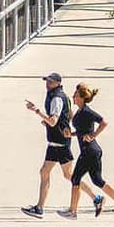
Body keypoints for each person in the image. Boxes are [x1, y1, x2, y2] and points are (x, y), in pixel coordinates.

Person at [65, 84, 114, 220]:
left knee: (76, 178)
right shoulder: (80, 112)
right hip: (92, 151)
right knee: (97, 180)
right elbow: (83, 131)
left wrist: (93, 135)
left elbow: (104, 122)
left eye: (75, 95)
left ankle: (73, 212)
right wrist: (72, 135)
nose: (73, 97)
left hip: (89, 151)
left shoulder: (87, 111)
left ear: (82, 98)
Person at [21, 73, 76, 218]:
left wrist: (37, 111)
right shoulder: (62, 96)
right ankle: (39, 208)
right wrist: (55, 124)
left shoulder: (57, 98)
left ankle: (96, 198)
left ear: (58, 83)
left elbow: (53, 121)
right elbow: (69, 115)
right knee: (45, 172)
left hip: (59, 142)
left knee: (69, 175)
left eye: (51, 82)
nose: (47, 84)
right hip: (55, 141)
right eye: (47, 81)